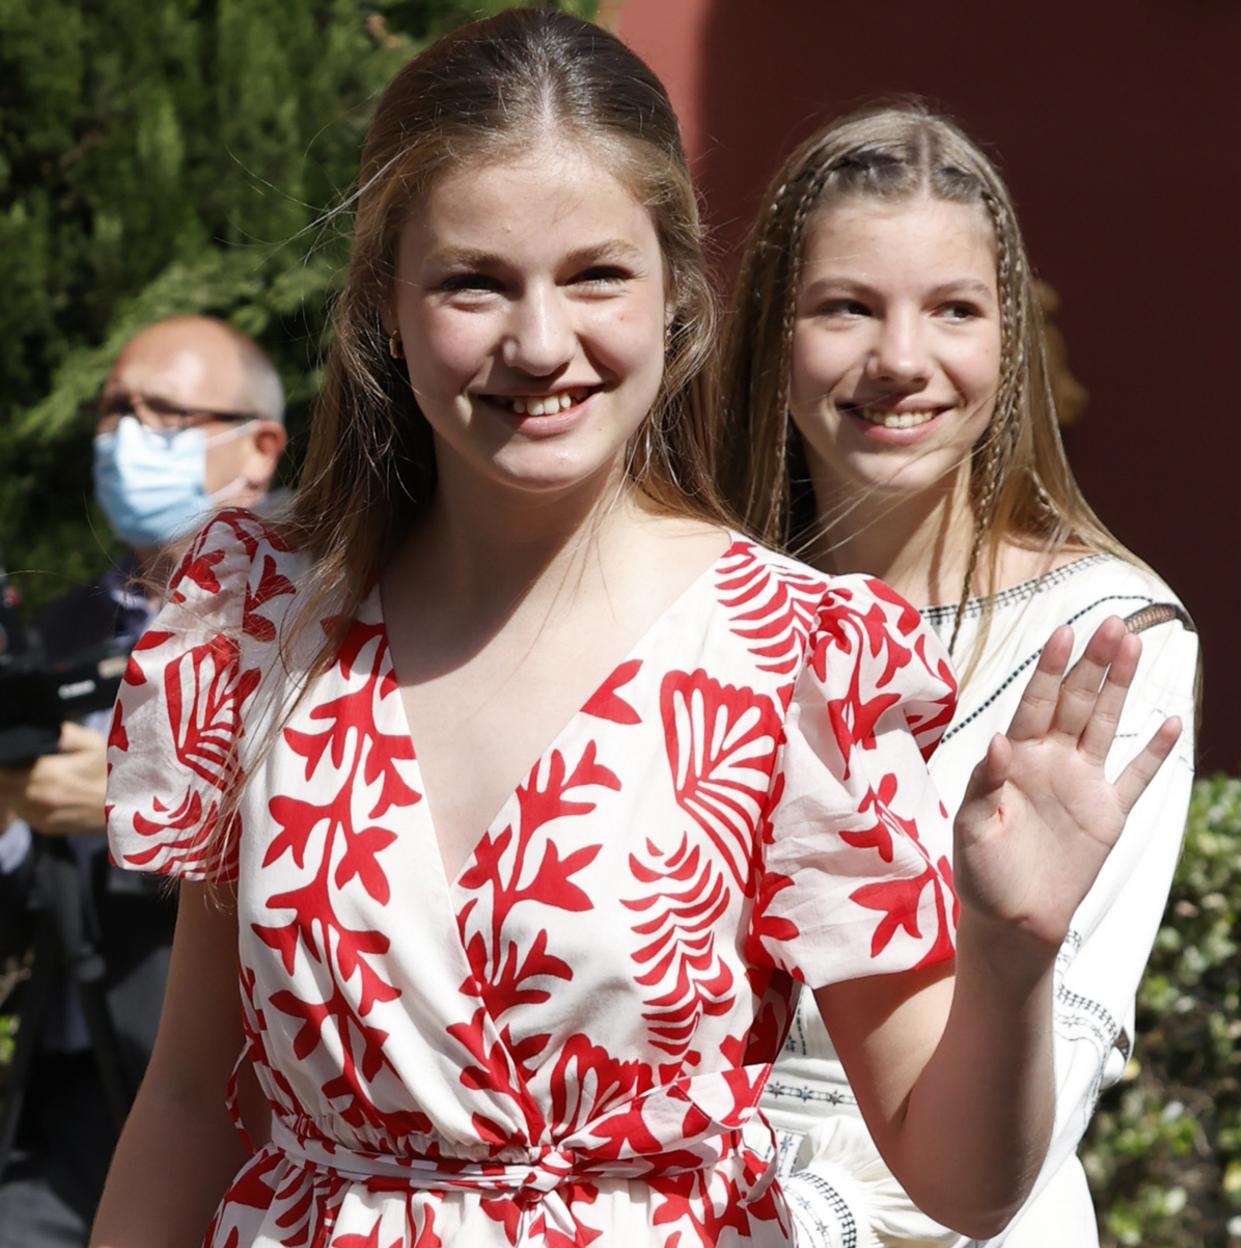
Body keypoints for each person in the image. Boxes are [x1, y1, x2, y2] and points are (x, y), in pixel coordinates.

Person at [89, 16, 1178, 1248]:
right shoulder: (255, 621)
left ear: (677, 295)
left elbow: (964, 1186)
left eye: (596, 275)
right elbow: (188, 1103)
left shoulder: (793, 659)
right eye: (473, 281)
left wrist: (1012, 956)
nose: (541, 342)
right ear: (385, 302)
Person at [717, 105, 1199, 1247]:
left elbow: (1053, 1076)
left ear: (1008, 344)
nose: (900, 360)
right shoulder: (689, 601)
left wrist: (784, 1216)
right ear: (770, 335)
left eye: (954, 311)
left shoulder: (1111, 637)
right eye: (845, 306)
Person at [0, 315, 286, 1248]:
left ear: (259, 445)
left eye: (160, 415)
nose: (125, 437)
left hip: (249, 1102)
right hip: (67, 1097)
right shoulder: (57, 631)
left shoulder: (320, 621)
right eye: (113, 412)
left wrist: (132, 809)